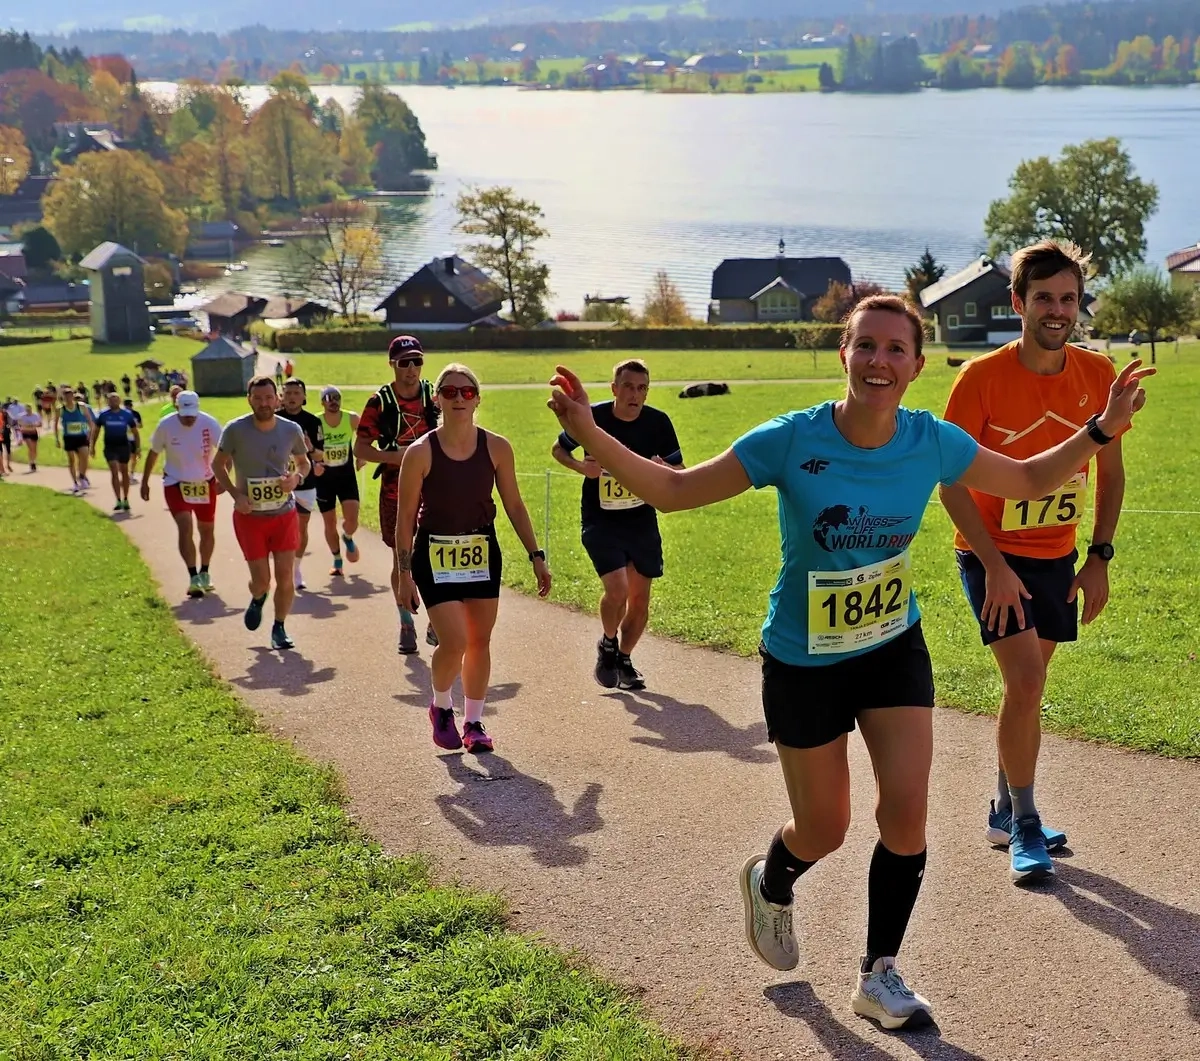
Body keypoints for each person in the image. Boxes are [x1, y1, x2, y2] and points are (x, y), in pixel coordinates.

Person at [546, 295, 1152, 1030]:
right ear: (845, 354)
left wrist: (1101, 428)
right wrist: (589, 433)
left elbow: (1025, 479)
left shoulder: (930, 440)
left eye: (896, 349)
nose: (879, 361)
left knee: (906, 813)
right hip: (803, 660)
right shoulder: (791, 439)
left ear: (917, 366)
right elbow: (674, 491)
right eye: (866, 345)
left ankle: (879, 972)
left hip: (892, 645)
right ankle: (773, 880)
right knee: (824, 827)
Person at [937, 241, 1132, 885]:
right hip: (990, 555)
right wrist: (993, 565)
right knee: (1024, 684)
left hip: (1056, 555)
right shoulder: (980, 379)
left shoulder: (1097, 374)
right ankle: (1024, 821)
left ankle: (1003, 807)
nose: (1057, 310)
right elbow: (951, 484)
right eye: (1044, 297)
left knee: (1029, 688)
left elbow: (1110, 471)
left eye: (1068, 298)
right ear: (1017, 304)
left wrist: (1098, 555)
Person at [396, 363, 551, 753]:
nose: (459, 398)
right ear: (438, 399)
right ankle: (441, 705)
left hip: (481, 550)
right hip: (434, 554)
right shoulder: (420, 453)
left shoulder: (497, 448)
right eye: (450, 392)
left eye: (467, 392)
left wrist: (536, 555)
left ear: (478, 399)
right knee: (455, 640)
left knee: (480, 640)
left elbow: (514, 504)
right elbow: (405, 519)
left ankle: (474, 722)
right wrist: (403, 575)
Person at [552, 358, 683, 690]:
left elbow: (680, 470)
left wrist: (663, 469)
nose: (634, 395)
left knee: (639, 601)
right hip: (601, 520)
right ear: (614, 389)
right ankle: (608, 642)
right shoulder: (594, 418)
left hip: (641, 520)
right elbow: (558, 450)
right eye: (627, 386)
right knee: (617, 590)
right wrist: (582, 468)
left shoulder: (658, 423)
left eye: (641, 388)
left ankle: (623, 659)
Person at [354, 335, 440, 654]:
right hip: (395, 489)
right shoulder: (380, 402)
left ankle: (437, 619)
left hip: (434, 487)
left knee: (435, 554)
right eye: (405, 362)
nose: (411, 369)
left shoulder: (433, 396)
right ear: (392, 364)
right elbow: (360, 448)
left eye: (417, 361)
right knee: (401, 557)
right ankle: (406, 622)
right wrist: (395, 456)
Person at [211, 376, 310, 650]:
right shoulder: (235, 430)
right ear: (249, 400)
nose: (264, 403)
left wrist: (296, 478)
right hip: (249, 517)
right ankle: (258, 597)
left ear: (277, 399)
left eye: (268, 398)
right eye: (258, 398)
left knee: (285, 576)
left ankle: (279, 627)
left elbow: (303, 463)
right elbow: (218, 465)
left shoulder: (291, 429)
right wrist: (236, 494)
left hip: (284, 514)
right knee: (261, 581)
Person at [142, 391, 224, 599]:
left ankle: (205, 572)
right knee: (185, 527)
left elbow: (226, 452)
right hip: (175, 482)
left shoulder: (209, 423)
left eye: (192, 414)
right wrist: (144, 482)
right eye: (185, 414)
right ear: (177, 407)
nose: (189, 419)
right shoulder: (166, 425)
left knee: (206, 529)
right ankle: (193, 576)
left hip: (204, 483)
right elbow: (154, 452)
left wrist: (224, 479)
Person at [277, 379, 325, 590]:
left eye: (296, 393)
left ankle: (295, 569)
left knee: (300, 527)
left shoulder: (313, 422)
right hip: (278, 482)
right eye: (288, 393)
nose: (292, 397)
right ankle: (283, 568)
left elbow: (321, 455)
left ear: (304, 396)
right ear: (282, 396)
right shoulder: (274, 419)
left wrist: (309, 447)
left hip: (305, 482)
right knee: (279, 527)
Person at [316, 385, 362, 577]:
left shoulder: (351, 418)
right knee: (330, 522)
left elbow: (366, 435)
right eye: (329, 398)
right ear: (322, 402)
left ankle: (348, 537)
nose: (333, 401)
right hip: (323, 479)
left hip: (346, 477)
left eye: (337, 397)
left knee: (352, 519)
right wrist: (313, 464)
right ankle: (337, 560)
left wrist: (361, 455)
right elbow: (305, 447)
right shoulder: (316, 422)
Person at [91, 391, 139, 511]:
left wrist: (138, 448)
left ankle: (126, 499)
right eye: (111, 400)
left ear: (120, 401)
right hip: (110, 447)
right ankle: (118, 499)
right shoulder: (103, 415)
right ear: (108, 401)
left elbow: (135, 432)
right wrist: (92, 446)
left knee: (124, 471)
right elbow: (96, 431)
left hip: (123, 446)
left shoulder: (127, 414)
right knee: (114, 470)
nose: (113, 402)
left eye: (116, 400)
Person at [54, 388, 95, 493]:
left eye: (70, 395)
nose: (68, 398)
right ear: (63, 397)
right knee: (72, 460)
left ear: (73, 396)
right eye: (66, 396)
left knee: (84, 457)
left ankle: (82, 476)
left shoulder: (81, 406)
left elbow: (90, 421)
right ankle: (75, 483)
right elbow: (55, 424)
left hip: (81, 436)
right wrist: (57, 439)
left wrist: (90, 435)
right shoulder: (60, 409)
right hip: (69, 438)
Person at [123, 398, 144, 484]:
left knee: (134, 457)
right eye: (128, 405)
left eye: (130, 405)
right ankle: (126, 475)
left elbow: (141, 425)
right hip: (125, 438)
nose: (130, 407)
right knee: (126, 457)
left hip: (134, 438)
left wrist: (135, 425)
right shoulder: (122, 414)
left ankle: (131, 474)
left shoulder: (136, 414)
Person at [17, 403, 42, 471]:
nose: (28, 411)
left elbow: (40, 424)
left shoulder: (36, 415)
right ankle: (31, 462)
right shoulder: (22, 416)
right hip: (26, 432)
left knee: (34, 449)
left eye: (29, 409)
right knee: (30, 448)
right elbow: (20, 424)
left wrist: (34, 425)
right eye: (27, 410)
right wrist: (26, 425)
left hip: (33, 432)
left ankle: (34, 461)